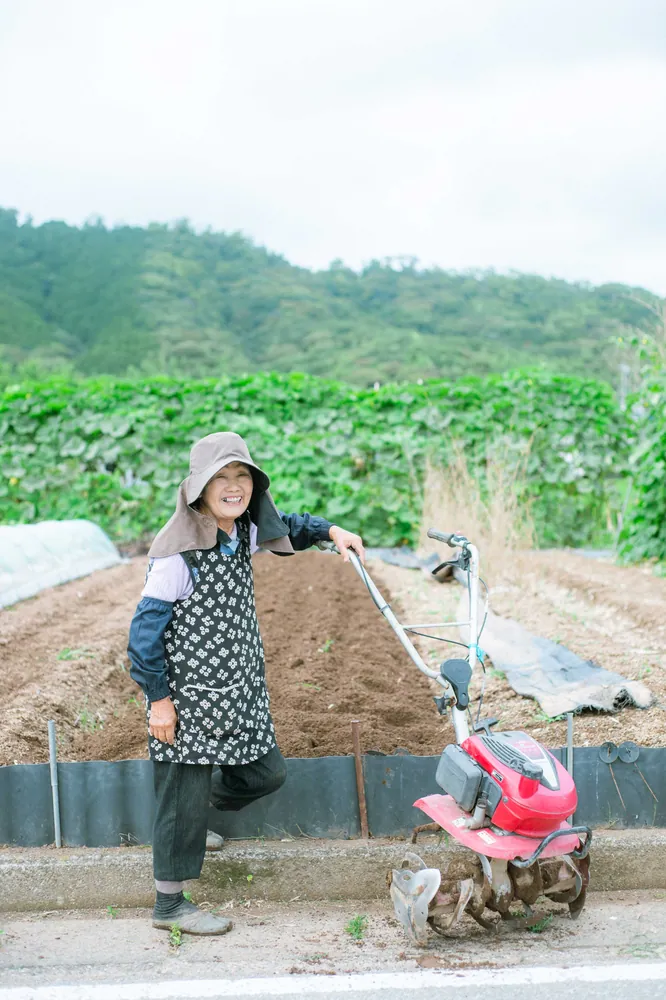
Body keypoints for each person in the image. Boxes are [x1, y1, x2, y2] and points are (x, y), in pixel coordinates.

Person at [127, 431, 364, 935]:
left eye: (242, 477)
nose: (233, 487)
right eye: (221, 478)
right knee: (181, 794)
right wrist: (159, 701)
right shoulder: (178, 552)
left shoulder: (241, 530)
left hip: (238, 689)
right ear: (197, 489)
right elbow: (143, 634)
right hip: (187, 696)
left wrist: (332, 531)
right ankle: (169, 906)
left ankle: (194, 814)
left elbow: (293, 528)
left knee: (265, 774)